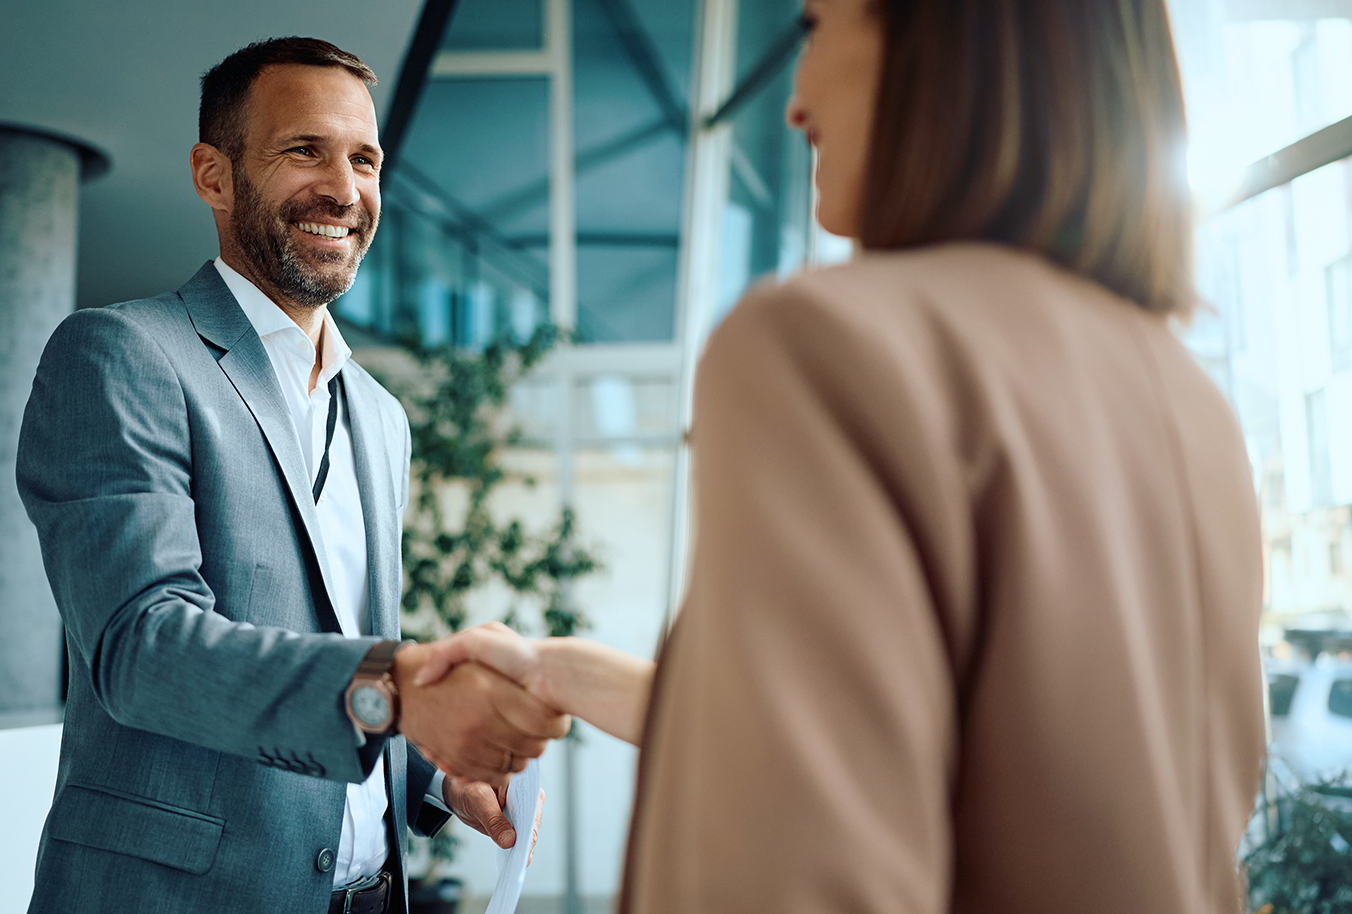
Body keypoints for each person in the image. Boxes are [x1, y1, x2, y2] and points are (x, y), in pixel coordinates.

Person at [418, 0, 1268, 910]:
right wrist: (561, 674)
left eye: (817, 28)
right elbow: (983, 761)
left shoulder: (827, 345)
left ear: (940, 43)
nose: (793, 101)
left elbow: (800, 868)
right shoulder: (1190, 402)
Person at [15, 37, 567, 914]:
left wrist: (435, 767)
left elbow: (328, 639)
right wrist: (405, 693)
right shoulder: (121, 355)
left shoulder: (382, 418)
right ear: (213, 174)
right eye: (303, 149)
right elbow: (142, 647)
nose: (343, 190)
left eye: (365, 158)